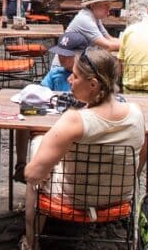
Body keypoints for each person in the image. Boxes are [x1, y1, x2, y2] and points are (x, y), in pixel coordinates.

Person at [19, 47, 145, 250]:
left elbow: (32, 174)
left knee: (36, 158)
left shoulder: (75, 120)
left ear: (94, 85)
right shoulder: (137, 112)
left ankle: (31, 243)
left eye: (75, 76)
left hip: (70, 198)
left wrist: (43, 147)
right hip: (120, 198)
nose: (69, 79)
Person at [12, 31, 93, 183]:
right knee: (23, 116)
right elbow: (40, 95)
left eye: (67, 54)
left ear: (81, 55)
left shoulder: (86, 79)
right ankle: (21, 164)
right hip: (50, 120)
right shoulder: (55, 73)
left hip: (71, 127)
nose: (61, 57)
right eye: (60, 53)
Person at [52, 0, 121, 69]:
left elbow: (109, 39)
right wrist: (130, 45)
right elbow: (107, 46)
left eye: (109, 5)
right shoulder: (85, 19)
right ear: (93, 5)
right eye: (105, 5)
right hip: (64, 67)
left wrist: (130, 42)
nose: (109, 8)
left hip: (77, 65)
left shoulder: (94, 17)